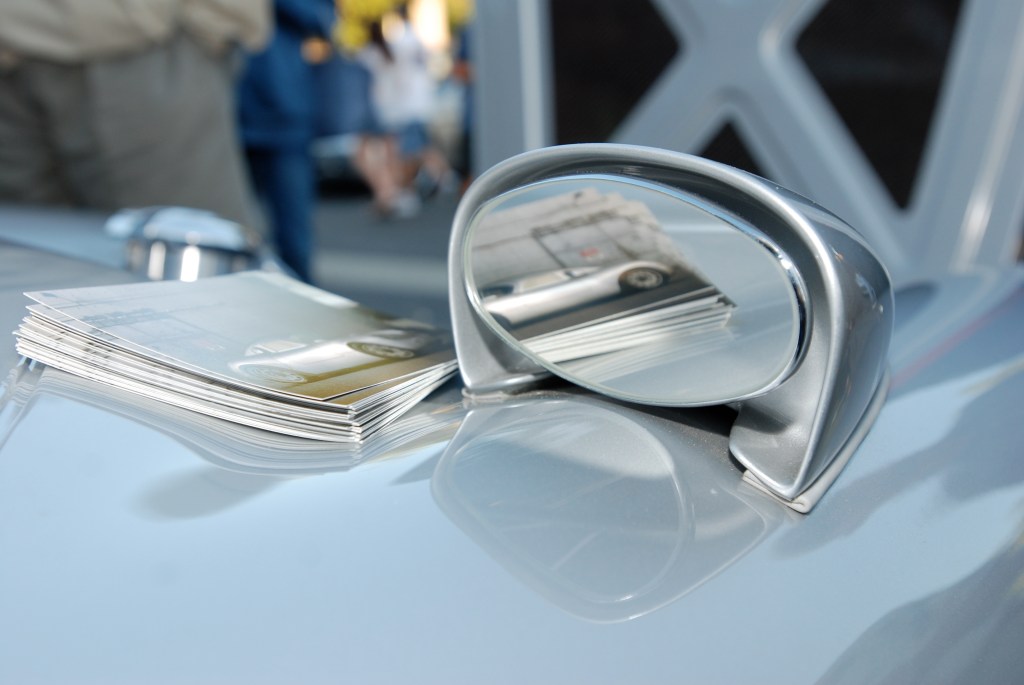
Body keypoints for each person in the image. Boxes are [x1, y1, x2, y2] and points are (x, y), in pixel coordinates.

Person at [0, 1, 271, 229]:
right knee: (35, 276)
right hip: (12, 59)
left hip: (143, 47)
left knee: (194, 267)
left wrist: (209, 23)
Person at [238, 0, 336, 282]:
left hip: (286, 121)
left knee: (295, 244)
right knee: (233, 237)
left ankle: (302, 317)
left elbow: (323, 21)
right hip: (232, 117)